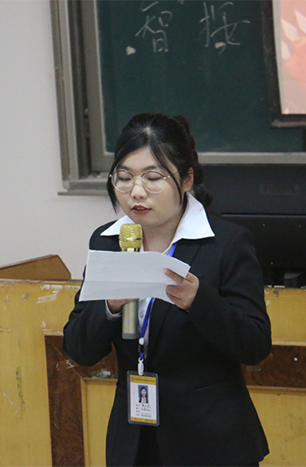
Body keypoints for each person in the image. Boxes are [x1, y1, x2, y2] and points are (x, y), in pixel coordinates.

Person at [63, 113, 271, 467]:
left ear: (187, 179)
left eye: (153, 178)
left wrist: (199, 302)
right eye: (124, 178)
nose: (136, 192)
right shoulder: (108, 241)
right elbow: (79, 348)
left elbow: (255, 346)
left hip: (211, 443)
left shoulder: (225, 244)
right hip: (135, 441)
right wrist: (110, 305)